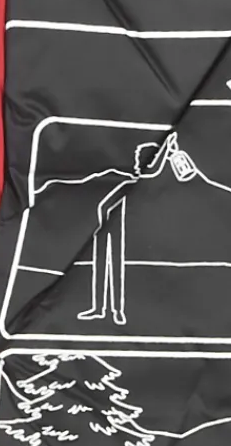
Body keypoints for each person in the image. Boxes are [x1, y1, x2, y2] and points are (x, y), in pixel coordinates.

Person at [79, 132, 188, 326]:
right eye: (138, 159)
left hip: (118, 226)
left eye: (141, 159)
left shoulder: (143, 180)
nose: (138, 163)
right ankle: (99, 309)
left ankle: (117, 311)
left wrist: (167, 148)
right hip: (103, 227)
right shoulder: (127, 180)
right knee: (101, 266)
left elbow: (155, 170)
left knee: (115, 267)